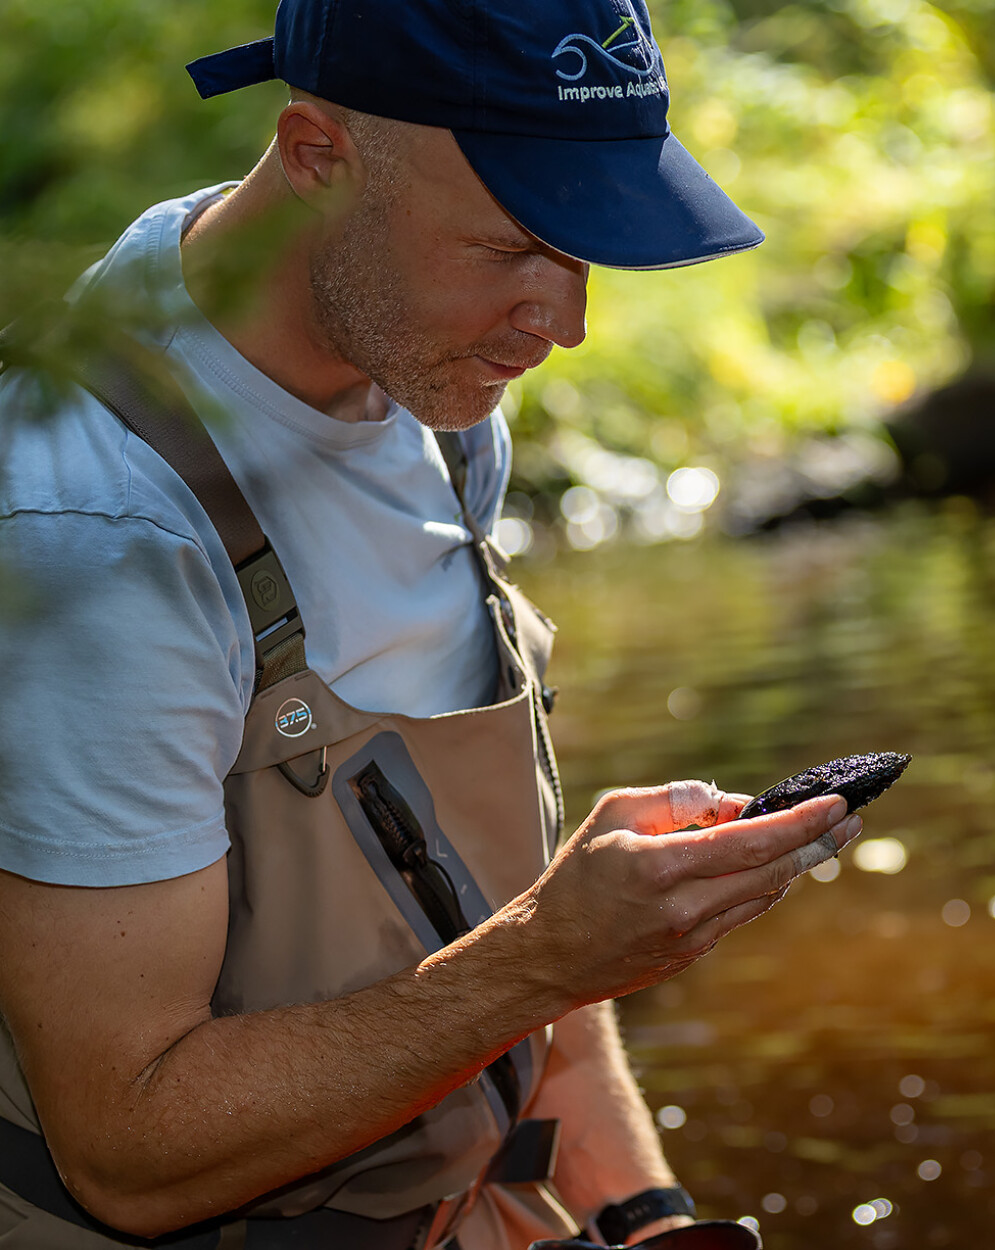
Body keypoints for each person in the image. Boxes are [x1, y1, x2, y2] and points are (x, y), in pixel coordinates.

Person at [0, 1, 862, 1247]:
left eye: (585, 252)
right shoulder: (96, 537)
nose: (564, 326)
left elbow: (476, 906)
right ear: (315, 156)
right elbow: (127, 1150)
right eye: (513, 244)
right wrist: (552, 957)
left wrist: (648, 1215)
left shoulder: (433, 388)